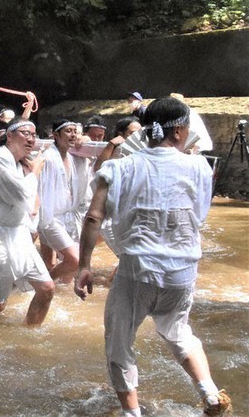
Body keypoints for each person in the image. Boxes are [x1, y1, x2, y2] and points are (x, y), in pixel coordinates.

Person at [75, 96, 231, 416]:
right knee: (179, 333)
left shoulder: (119, 167)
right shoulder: (200, 166)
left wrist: (84, 267)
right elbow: (197, 213)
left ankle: (133, 413)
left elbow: (93, 218)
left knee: (119, 342)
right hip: (183, 271)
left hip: (139, 269)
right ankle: (211, 394)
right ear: (178, 133)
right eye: (186, 128)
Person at [0, 117, 54, 326]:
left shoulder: (19, 164)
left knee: (46, 288)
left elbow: (30, 203)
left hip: (18, 235)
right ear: (9, 135)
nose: (31, 139)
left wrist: (30, 169)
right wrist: (35, 170)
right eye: (25, 133)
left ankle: (31, 335)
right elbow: (17, 195)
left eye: (34, 135)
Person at [37, 119, 87, 282]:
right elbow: (41, 190)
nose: (73, 135)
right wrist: (42, 222)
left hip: (69, 217)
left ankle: (57, 295)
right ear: (56, 135)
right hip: (51, 219)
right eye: (68, 131)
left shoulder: (75, 158)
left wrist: (84, 139)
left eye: (75, 131)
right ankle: (44, 285)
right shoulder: (48, 158)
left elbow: (91, 153)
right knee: (75, 260)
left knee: (69, 273)